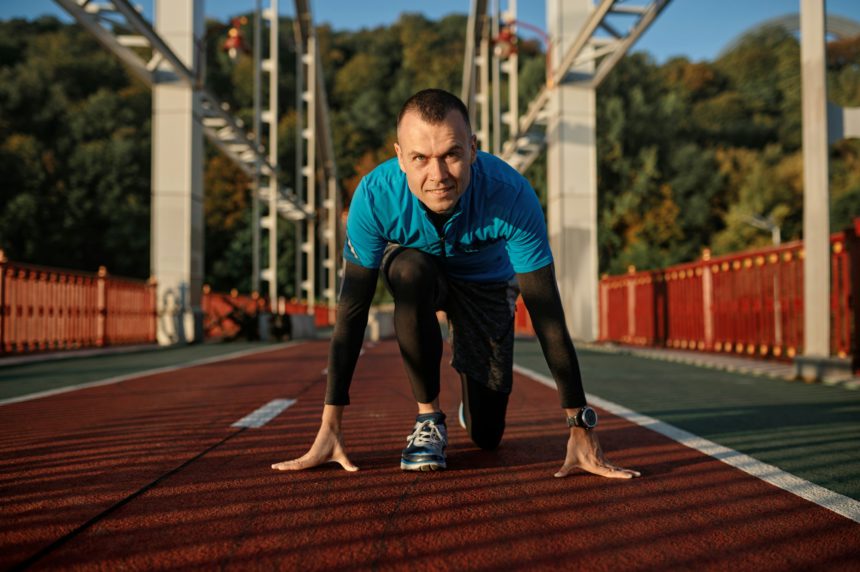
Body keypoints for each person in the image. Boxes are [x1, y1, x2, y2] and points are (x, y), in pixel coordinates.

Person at [272, 88, 640, 479]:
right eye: (420, 159)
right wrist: (331, 426)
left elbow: (547, 314)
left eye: (451, 154)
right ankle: (428, 419)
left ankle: (470, 385)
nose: (439, 175)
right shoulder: (375, 197)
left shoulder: (510, 195)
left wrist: (579, 426)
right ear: (399, 157)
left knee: (487, 436)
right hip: (421, 272)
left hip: (486, 285)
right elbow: (351, 312)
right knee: (410, 270)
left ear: (473, 149)